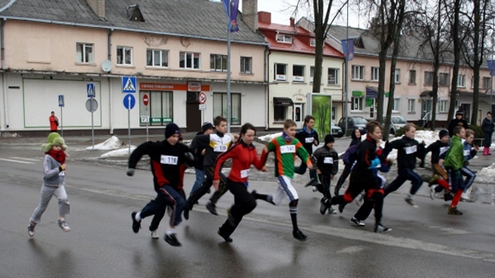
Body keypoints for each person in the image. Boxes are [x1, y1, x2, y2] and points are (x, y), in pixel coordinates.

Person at [127, 123, 194, 246]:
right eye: (173, 136)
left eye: (177, 136)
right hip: (162, 184)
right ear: (167, 135)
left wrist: (192, 159)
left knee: (157, 207)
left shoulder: (181, 148)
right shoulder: (157, 147)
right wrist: (132, 166)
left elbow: (194, 157)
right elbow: (140, 149)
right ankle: (170, 233)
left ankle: (137, 217)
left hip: (175, 186)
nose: (175, 139)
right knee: (179, 202)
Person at [254, 119, 313, 241]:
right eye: (291, 130)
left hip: (289, 175)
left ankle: (257, 195)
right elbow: (265, 150)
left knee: (276, 201)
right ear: (285, 130)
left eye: (295, 130)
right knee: (294, 198)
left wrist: (308, 163)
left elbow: (305, 154)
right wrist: (261, 165)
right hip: (281, 175)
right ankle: (295, 230)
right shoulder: (277, 141)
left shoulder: (296, 142)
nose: (293, 132)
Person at [331, 121, 391, 233]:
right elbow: (365, 163)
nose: (380, 134)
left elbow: (378, 156)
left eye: (380, 132)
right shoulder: (366, 145)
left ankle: (369, 221)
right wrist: (378, 159)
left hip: (368, 176)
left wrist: (384, 158)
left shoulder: (373, 144)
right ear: (371, 133)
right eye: (377, 132)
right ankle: (328, 202)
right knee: (348, 198)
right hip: (359, 176)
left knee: (377, 195)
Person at [213, 123, 267, 242]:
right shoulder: (237, 148)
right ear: (242, 134)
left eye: (253, 136)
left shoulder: (252, 148)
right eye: (248, 135)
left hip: (243, 183)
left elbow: (257, 164)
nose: (251, 138)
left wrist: (263, 162)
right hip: (233, 182)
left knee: (239, 214)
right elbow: (220, 158)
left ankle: (224, 231)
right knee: (250, 203)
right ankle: (232, 210)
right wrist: (216, 177)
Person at [183, 116, 235, 219]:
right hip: (209, 167)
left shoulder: (228, 139)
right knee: (226, 183)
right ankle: (211, 203)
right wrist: (191, 151)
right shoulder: (212, 137)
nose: (225, 127)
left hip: (218, 168)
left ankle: (188, 204)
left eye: (226, 125)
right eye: (222, 125)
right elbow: (197, 139)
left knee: (203, 188)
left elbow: (230, 150)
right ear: (216, 127)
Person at [27, 132, 70, 237]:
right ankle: (32, 223)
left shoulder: (61, 156)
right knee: (42, 207)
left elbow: (60, 171)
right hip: (48, 186)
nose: (58, 148)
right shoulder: (48, 157)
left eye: (60, 146)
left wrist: (62, 173)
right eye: (56, 146)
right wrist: (60, 169)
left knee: (64, 199)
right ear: (50, 146)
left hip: (58, 185)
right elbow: (47, 174)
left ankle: (61, 219)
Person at [383, 123, 426, 207]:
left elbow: (420, 155)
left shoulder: (415, 143)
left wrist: (422, 147)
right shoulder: (402, 142)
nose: (414, 134)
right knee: (419, 180)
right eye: (412, 132)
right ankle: (409, 197)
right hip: (403, 169)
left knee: (392, 187)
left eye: (415, 132)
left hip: (410, 169)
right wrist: (384, 154)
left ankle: (375, 199)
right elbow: (390, 145)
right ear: (406, 132)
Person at [312, 134, 339, 215]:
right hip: (322, 173)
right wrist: (317, 169)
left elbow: (335, 163)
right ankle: (330, 207)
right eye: (330, 142)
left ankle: (315, 184)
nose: (332, 144)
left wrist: (333, 173)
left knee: (325, 189)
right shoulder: (320, 151)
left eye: (333, 142)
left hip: (329, 173)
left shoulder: (334, 152)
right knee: (327, 191)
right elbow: (313, 159)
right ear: (326, 142)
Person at [443, 126, 466, 215]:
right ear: (457, 134)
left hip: (457, 167)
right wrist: (456, 167)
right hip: (453, 168)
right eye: (463, 132)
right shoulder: (458, 143)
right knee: (454, 189)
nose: (464, 133)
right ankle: (437, 179)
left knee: (461, 187)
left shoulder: (457, 141)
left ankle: (453, 207)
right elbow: (451, 155)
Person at [423, 129, 452, 200]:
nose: (447, 139)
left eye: (448, 137)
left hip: (444, 165)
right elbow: (426, 150)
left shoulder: (448, 145)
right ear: (441, 137)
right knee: (446, 177)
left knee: (437, 179)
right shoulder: (436, 145)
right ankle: (435, 188)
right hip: (436, 164)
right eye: (445, 137)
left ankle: (446, 194)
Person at [189, 122, 215, 196]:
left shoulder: (212, 139)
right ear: (205, 130)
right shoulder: (198, 138)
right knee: (199, 180)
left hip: (208, 163)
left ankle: (205, 186)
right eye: (210, 129)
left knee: (210, 179)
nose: (211, 131)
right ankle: (192, 195)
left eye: (212, 129)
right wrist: (200, 152)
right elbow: (192, 149)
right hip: (199, 163)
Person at [334, 128, 362, 195]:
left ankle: (348, 190)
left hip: (355, 162)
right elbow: (351, 152)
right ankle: (338, 188)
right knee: (345, 176)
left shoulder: (359, 141)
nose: (358, 133)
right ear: (353, 134)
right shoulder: (354, 142)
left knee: (352, 177)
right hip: (350, 162)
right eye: (356, 132)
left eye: (359, 132)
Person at [294, 115, 319, 188]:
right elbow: (294, 141)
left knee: (302, 170)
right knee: (312, 165)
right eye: (311, 122)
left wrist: (315, 141)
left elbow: (316, 143)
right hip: (302, 152)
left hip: (309, 152)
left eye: (313, 122)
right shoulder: (301, 133)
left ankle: (289, 168)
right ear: (307, 123)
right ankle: (315, 184)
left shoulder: (314, 133)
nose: (312, 124)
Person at [460, 129, 478, 201]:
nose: (472, 139)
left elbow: (468, 156)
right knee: (472, 175)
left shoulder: (469, 146)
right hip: (458, 165)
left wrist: (474, 152)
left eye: (473, 138)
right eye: (470, 138)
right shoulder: (461, 144)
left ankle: (460, 191)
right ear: (466, 137)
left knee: (470, 176)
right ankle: (462, 191)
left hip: (463, 165)